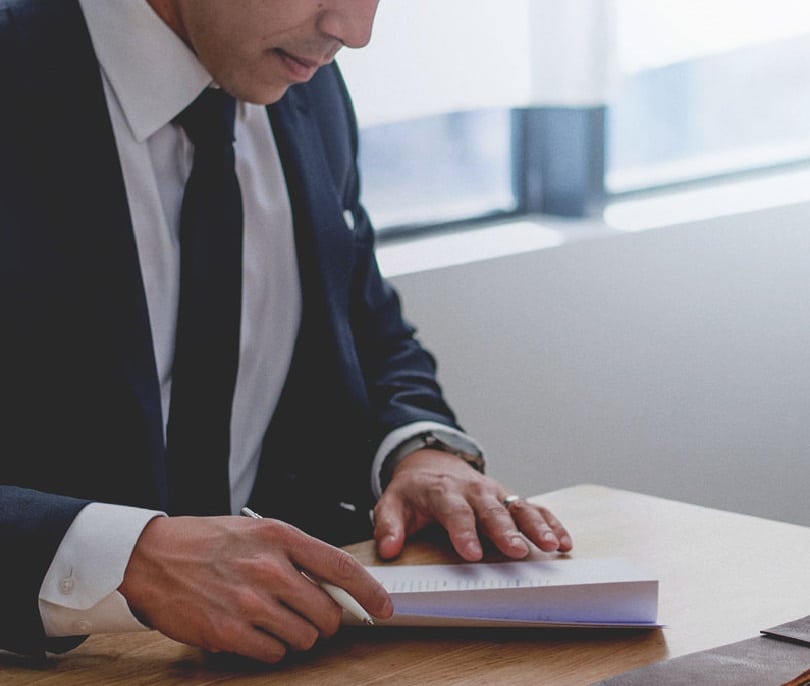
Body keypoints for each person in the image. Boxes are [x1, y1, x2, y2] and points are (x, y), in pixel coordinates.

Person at [0, 0, 573, 665]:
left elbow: (364, 323)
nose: (355, 32)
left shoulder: (303, 80)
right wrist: (126, 559)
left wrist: (420, 450)